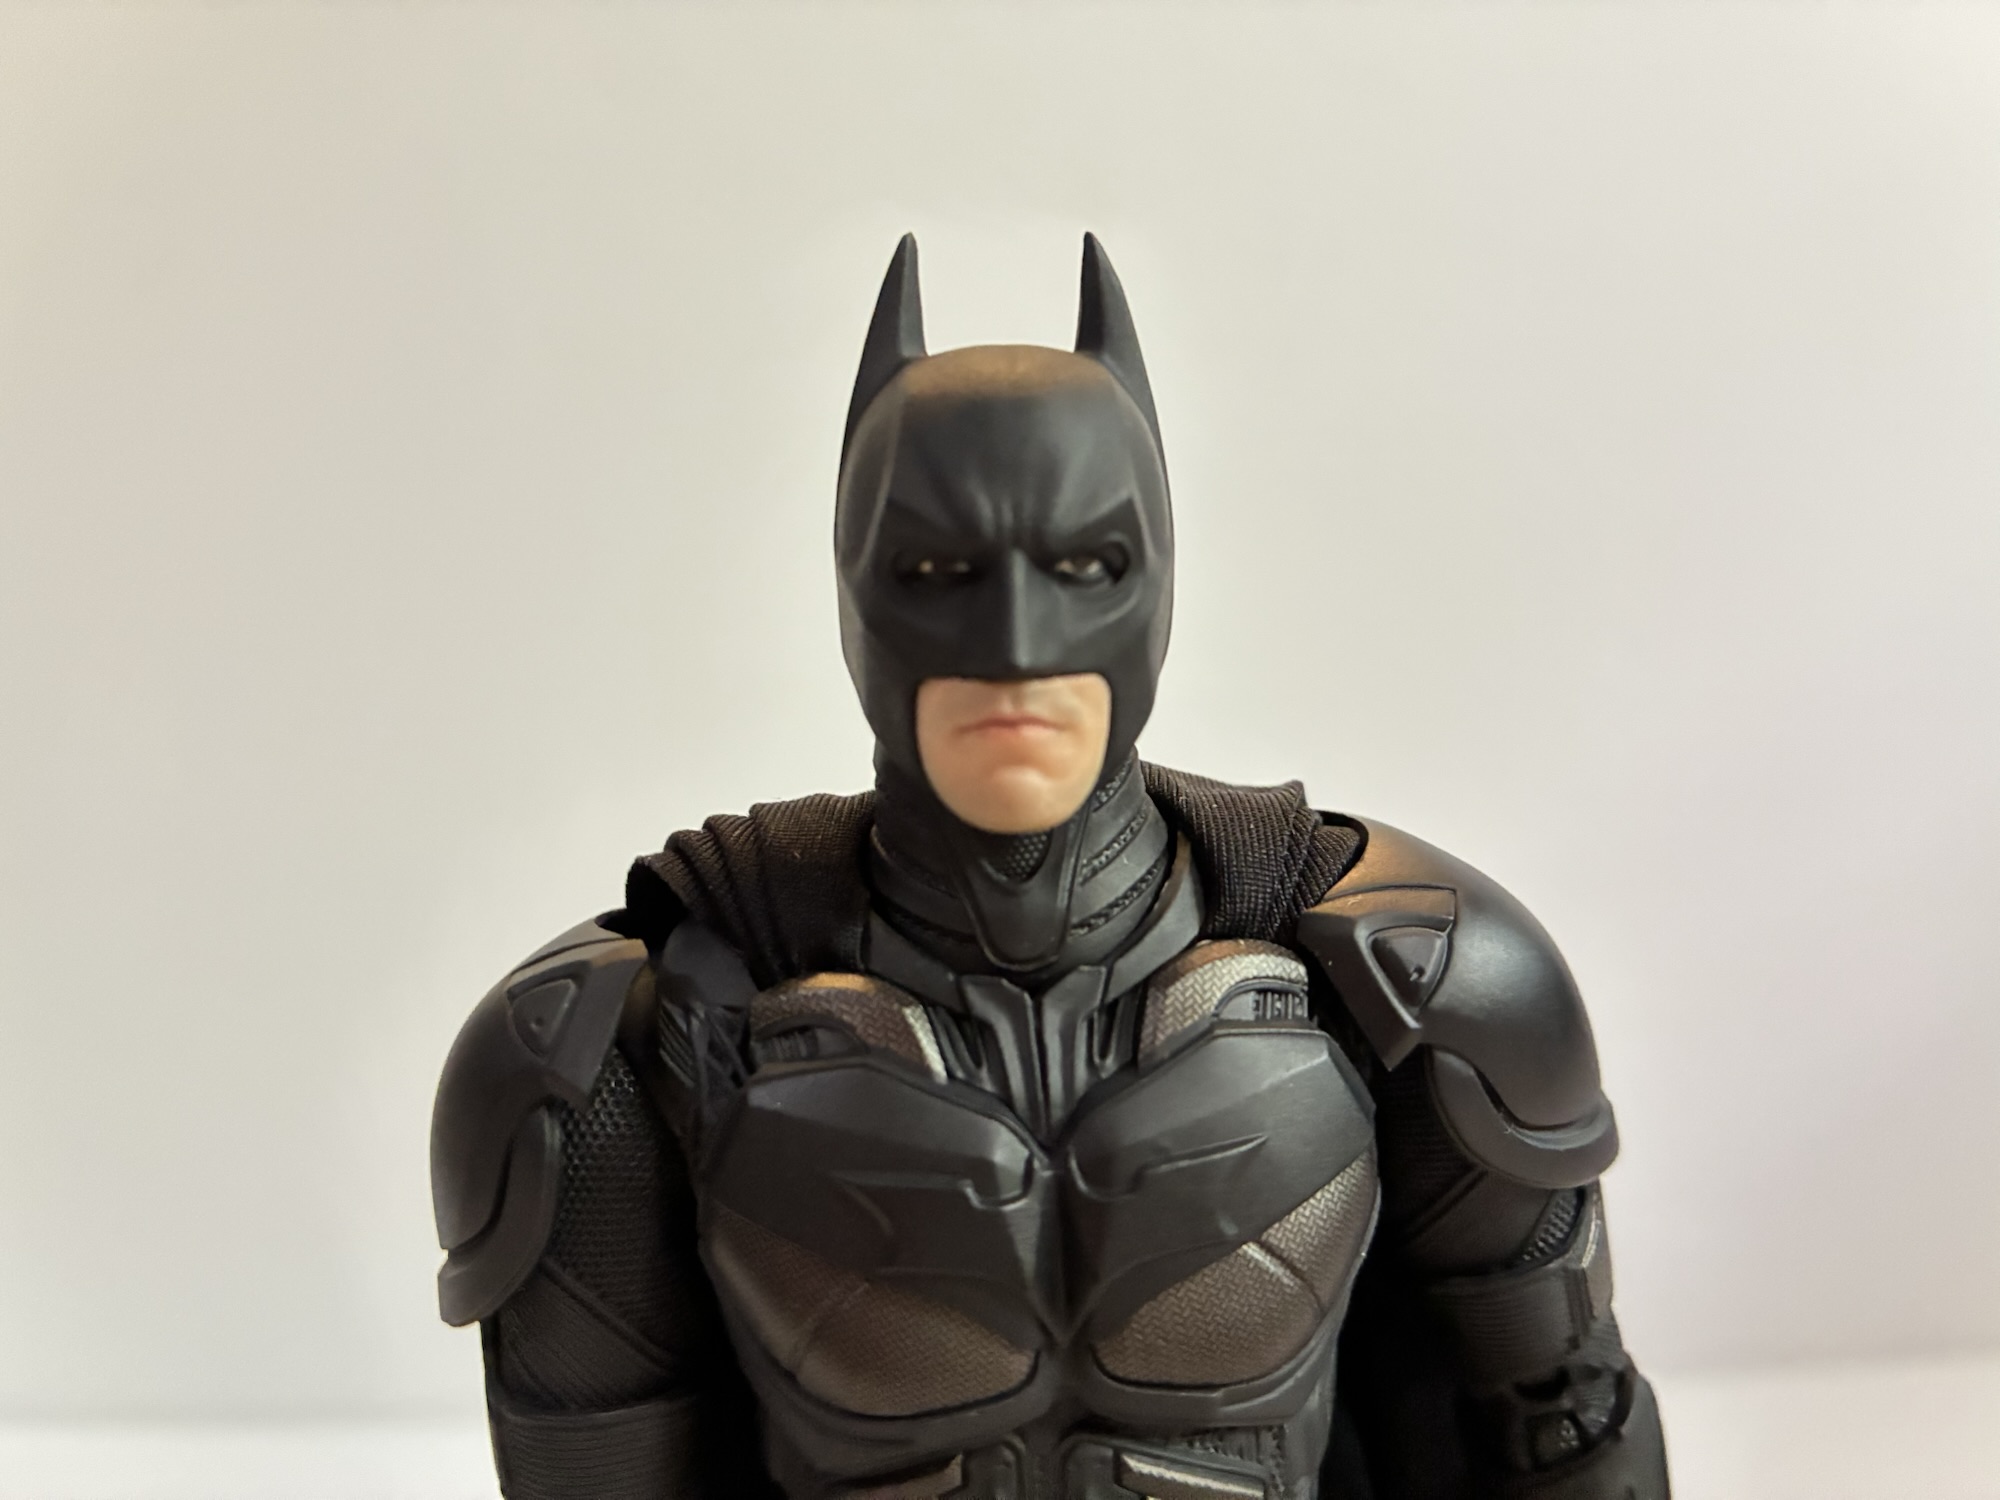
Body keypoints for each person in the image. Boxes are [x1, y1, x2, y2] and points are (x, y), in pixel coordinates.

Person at [430, 235, 1670, 1500]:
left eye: (1083, 568)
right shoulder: (613, 1050)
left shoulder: (1414, 984)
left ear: (1157, 578)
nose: (1015, 643)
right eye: (937, 574)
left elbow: (1558, 1420)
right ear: (854, 591)